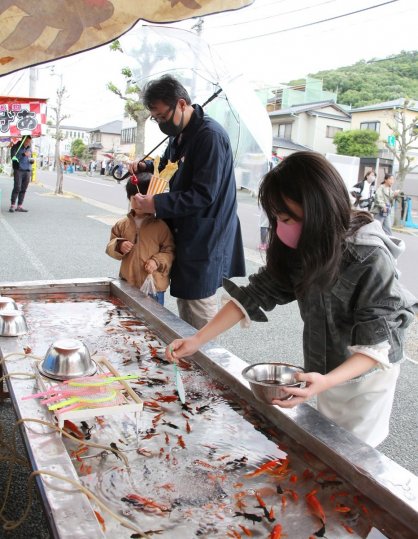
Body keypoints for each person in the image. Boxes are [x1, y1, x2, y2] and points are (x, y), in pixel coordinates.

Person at [166, 151, 416, 447]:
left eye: (286, 217)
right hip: (324, 364)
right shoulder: (305, 245)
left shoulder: (369, 257)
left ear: (318, 209)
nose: (280, 226)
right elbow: (254, 295)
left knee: (356, 448)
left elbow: (375, 349)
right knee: (329, 439)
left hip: (366, 374)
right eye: (276, 218)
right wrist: (197, 340)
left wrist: (324, 382)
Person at [128, 74, 245, 329]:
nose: (160, 122)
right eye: (155, 118)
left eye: (162, 116)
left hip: (206, 236)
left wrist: (155, 204)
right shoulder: (180, 134)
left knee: (197, 310)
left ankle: (203, 360)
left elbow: (204, 194)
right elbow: (169, 164)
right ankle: (190, 354)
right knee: (186, 304)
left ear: (181, 104)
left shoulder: (210, 136)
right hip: (188, 230)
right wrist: (146, 164)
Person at [105, 174, 175, 305]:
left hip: (154, 286)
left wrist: (156, 261)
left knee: (153, 321)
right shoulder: (122, 224)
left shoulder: (161, 226)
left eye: (143, 198)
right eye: (134, 198)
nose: (138, 203)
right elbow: (110, 246)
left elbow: (169, 251)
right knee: (128, 320)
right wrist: (119, 245)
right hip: (128, 283)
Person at [9, 135, 33, 212]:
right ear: (23, 140)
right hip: (19, 170)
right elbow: (13, 158)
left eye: (29, 142)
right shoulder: (16, 147)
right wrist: (23, 154)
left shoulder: (29, 148)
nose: (28, 143)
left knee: (23, 189)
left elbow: (29, 158)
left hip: (27, 170)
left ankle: (19, 206)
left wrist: (32, 161)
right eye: (27, 141)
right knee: (17, 187)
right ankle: (12, 205)